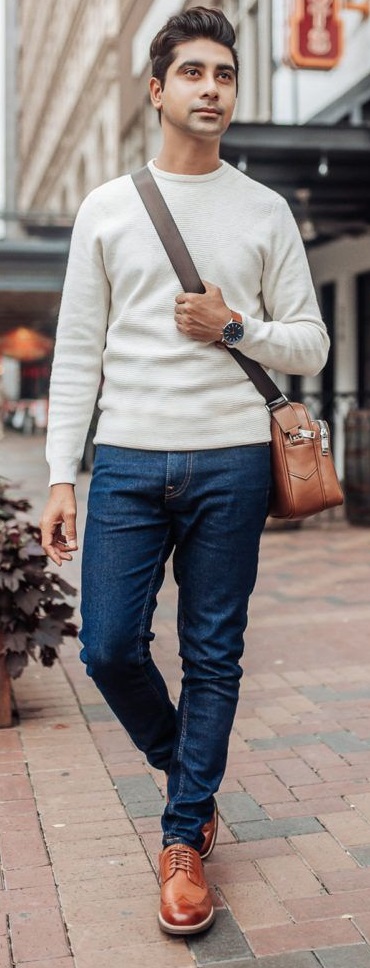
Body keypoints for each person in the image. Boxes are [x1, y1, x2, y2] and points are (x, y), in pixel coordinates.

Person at [40, 6, 329, 937]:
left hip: (234, 462)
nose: (213, 88)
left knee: (213, 653)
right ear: (157, 89)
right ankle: (190, 774)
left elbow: (313, 345)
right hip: (125, 459)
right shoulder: (109, 208)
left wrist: (234, 327)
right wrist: (59, 475)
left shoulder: (265, 210)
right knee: (109, 647)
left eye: (227, 75)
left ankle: (182, 839)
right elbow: (78, 350)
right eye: (195, 73)